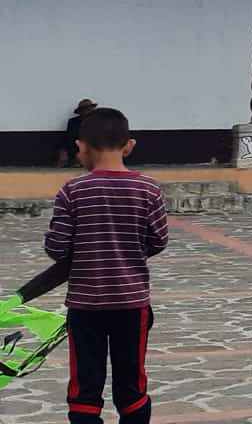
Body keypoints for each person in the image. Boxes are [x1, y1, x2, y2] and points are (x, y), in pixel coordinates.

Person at [45, 107, 170, 424]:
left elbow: (57, 248)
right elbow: (158, 240)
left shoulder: (72, 192)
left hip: (85, 307)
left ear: (80, 147)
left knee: (84, 387)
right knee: (132, 385)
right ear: (129, 145)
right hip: (132, 304)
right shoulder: (148, 189)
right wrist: (129, 254)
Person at [57, 99, 96, 168]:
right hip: (77, 149)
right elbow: (69, 139)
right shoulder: (73, 122)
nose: (89, 111)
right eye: (86, 109)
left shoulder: (98, 122)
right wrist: (63, 151)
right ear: (80, 111)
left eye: (90, 109)